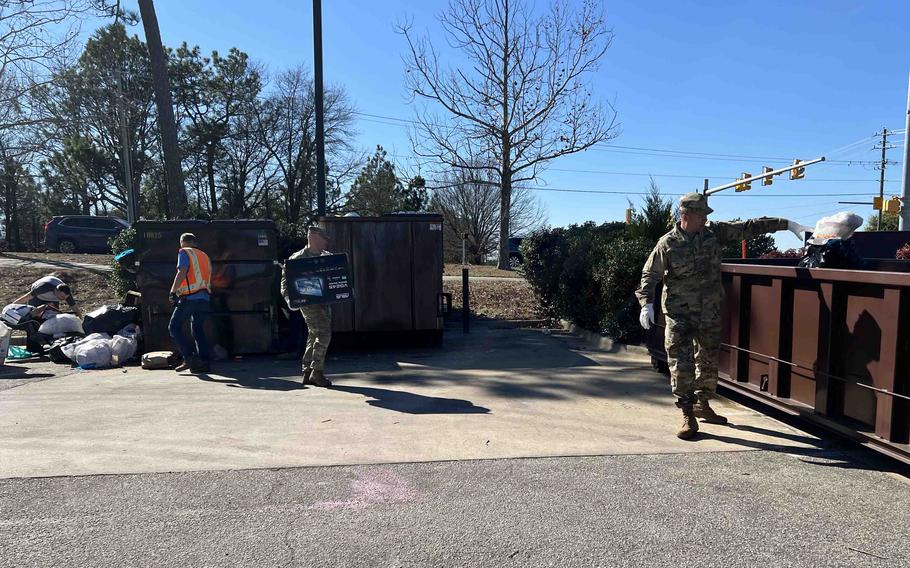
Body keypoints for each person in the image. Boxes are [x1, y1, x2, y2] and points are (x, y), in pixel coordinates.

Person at [636, 192, 809, 440]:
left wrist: (786, 224)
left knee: (708, 361)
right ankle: (687, 414)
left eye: (706, 215)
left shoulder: (714, 234)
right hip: (679, 314)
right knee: (681, 364)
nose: (705, 219)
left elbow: (749, 227)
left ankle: (703, 403)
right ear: (686, 215)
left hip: (710, 311)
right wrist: (646, 304)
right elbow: (649, 275)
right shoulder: (668, 244)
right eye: (700, 215)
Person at [281, 226, 334, 388]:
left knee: (314, 334)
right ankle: (316, 372)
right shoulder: (298, 258)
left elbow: (336, 275)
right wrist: (288, 297)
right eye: (324, 239)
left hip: (324, 303)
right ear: (314, 238)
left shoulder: (327, 257)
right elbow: (285, 281)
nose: (326, 243)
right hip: (308, 302)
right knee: (324, 334)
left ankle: (307, 372)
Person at [168, 233, 212, 373]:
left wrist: (173, 292)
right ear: (195, 242)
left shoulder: (184, 252)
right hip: (205, 298)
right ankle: (204, 362)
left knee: (174, 327)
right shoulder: (204, 256)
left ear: (183, 242)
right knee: (198, 330)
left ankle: (189, 358)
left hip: (190, 298)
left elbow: (182, 272)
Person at [13, 275, 81, 318]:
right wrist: (11, 307)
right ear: (56, 291)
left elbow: (75, 308)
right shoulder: (43, 288)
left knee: (53, 317)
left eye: (65, 298)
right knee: (33, 316)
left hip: (52, 299)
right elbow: (26, 297)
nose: (63, 299)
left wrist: (81, 321)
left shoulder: (66, 293)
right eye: (62, 297)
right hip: (38, 297)